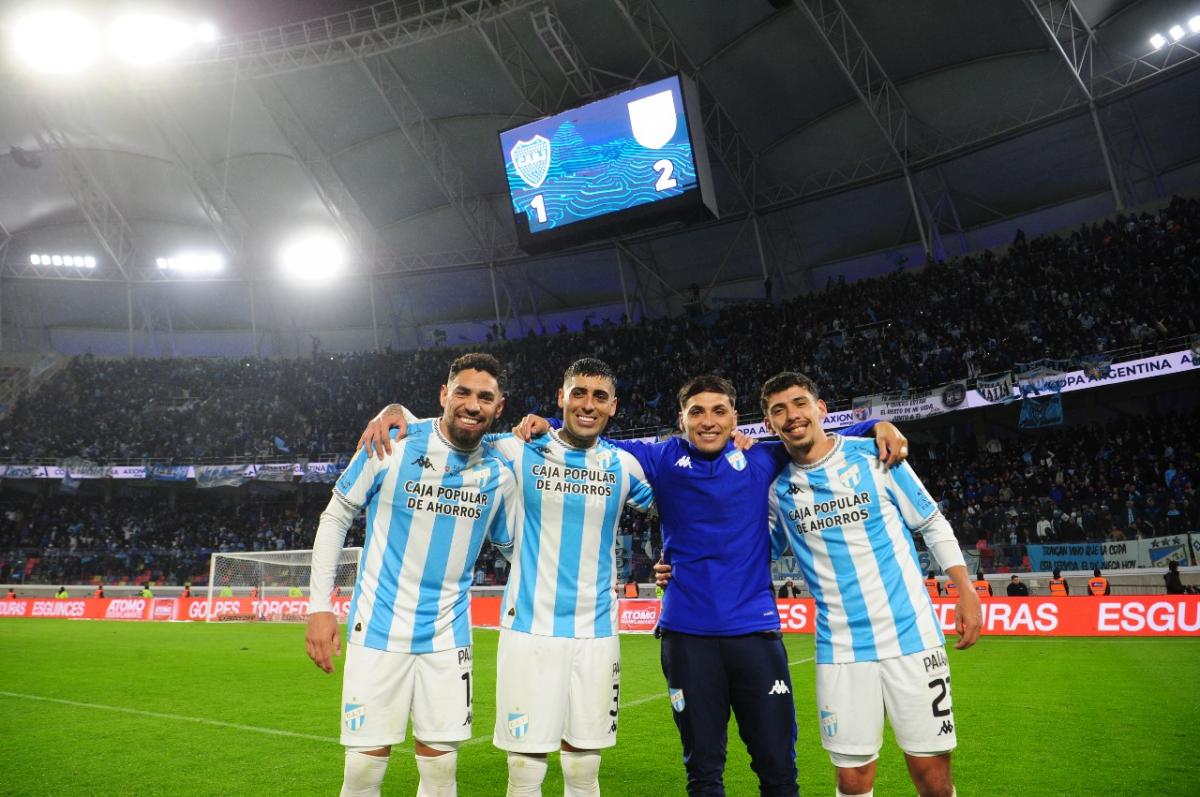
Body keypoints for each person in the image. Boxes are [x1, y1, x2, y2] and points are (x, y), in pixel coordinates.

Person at [357, 357, 656, 797]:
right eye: (578, 393)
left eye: (599, 397)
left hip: (597, 632)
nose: (588, 404)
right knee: (524, 767)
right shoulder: (518, 448)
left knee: (584, 766)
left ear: (613, 406)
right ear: (561, 398)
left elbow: (678, 507)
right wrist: (396, 412)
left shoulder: (625, 466)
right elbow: (456, 428)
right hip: (528, 630)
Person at [755, 372, 981, 797]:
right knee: (853, 778)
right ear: (769, 424)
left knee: (932, 775)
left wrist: (966, 591)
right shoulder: (776, 490)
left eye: (800, 403)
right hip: (840, 647)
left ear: (821, 409)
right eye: (778, 410)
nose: (792, 415)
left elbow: (931, 522)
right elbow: (753, 553)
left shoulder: (875, 455)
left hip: (912, 637)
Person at [306, 353, 520, 797]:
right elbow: (336, 515)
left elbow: (516, 549)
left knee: (441, 775)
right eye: (462, 392)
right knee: (363, 772)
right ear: (444, 394)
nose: (472, 405)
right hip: (377, 628)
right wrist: (319, 608)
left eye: (485, 398)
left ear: (499, 408)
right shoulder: (394, 443)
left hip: (447, 636)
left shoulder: (500, 474)